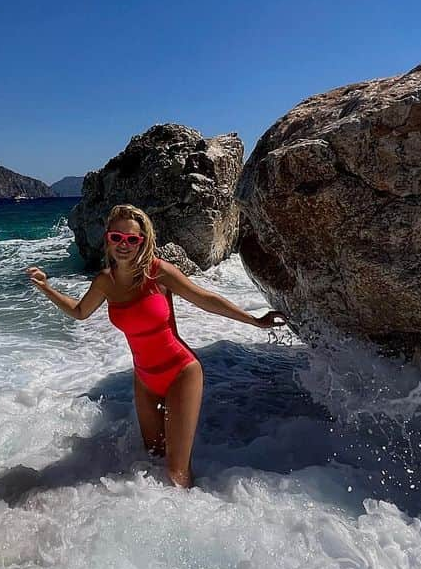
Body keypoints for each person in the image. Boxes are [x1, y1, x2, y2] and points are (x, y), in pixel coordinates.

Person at [25, 203, 284, 489]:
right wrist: (45, 287)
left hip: (181, 373)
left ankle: (196, 515)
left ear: (143, 241)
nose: (124, 245)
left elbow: (204, 299)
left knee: (176, 472)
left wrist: (254, 320)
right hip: (145, 380)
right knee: (152, 457)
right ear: (107, 238)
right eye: (117, 238)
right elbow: (79, 311)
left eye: (132, 239)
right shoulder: (104, 282)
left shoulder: (158, 272)